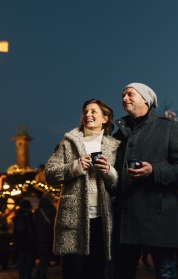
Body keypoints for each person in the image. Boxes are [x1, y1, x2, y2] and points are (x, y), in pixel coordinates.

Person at [113, 83, 178, 279]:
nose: (124, 98)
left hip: (158, 216)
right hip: (126, 218)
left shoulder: (168, 127)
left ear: (145, 99)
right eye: (123, 95)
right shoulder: (119, 133)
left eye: (130, 94)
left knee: (165, 272)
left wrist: (155, 170)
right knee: (123, 273)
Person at [44, 99, 119, 279]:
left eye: (93, 111)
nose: (88, 115)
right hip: (74, 217)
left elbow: (117, 185)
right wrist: (75, 167)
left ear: (105, 118)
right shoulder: (69, 141)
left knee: (97, 271)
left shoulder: (114, 146)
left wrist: (109, 171)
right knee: (72, 271)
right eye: (85, 111)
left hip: (102, 219)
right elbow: (49, 174)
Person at [34, 193, 57, 279]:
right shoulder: (52, 210)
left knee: (41, 256)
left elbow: (34, 224)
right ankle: (42, 272)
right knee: (46, 256)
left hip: (38, 237)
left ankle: (39, 271)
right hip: (49, 237)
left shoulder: (38, 211)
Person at [12, 199, 37, 279]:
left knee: (22, 258)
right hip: (28, 240)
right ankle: (27, 274)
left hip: (20, 240)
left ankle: (22, 275)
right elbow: (32, 228)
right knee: (29, 258)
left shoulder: (17, 215)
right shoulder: (28, 215)